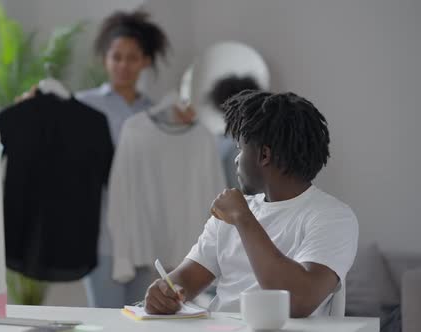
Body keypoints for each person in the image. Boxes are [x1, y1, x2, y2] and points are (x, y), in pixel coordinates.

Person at [144, 90, 359, 318]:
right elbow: (187, 279)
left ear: (264, 155)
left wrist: (244, 219)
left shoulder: (332, 217)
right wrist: (163, 292)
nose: (236, 159)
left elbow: (298, 301)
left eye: (240, 147)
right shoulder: (234, 211)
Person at [75, 10, 193, 308]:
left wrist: (185, 128)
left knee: (145, 317)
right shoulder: (83, 106)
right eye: (117, 57)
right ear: (106, 58)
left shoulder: (158, 114)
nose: (124, 65)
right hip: (102, 235)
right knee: (107, 319)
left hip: (148, 235)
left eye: (132, 57)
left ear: (146, 61)